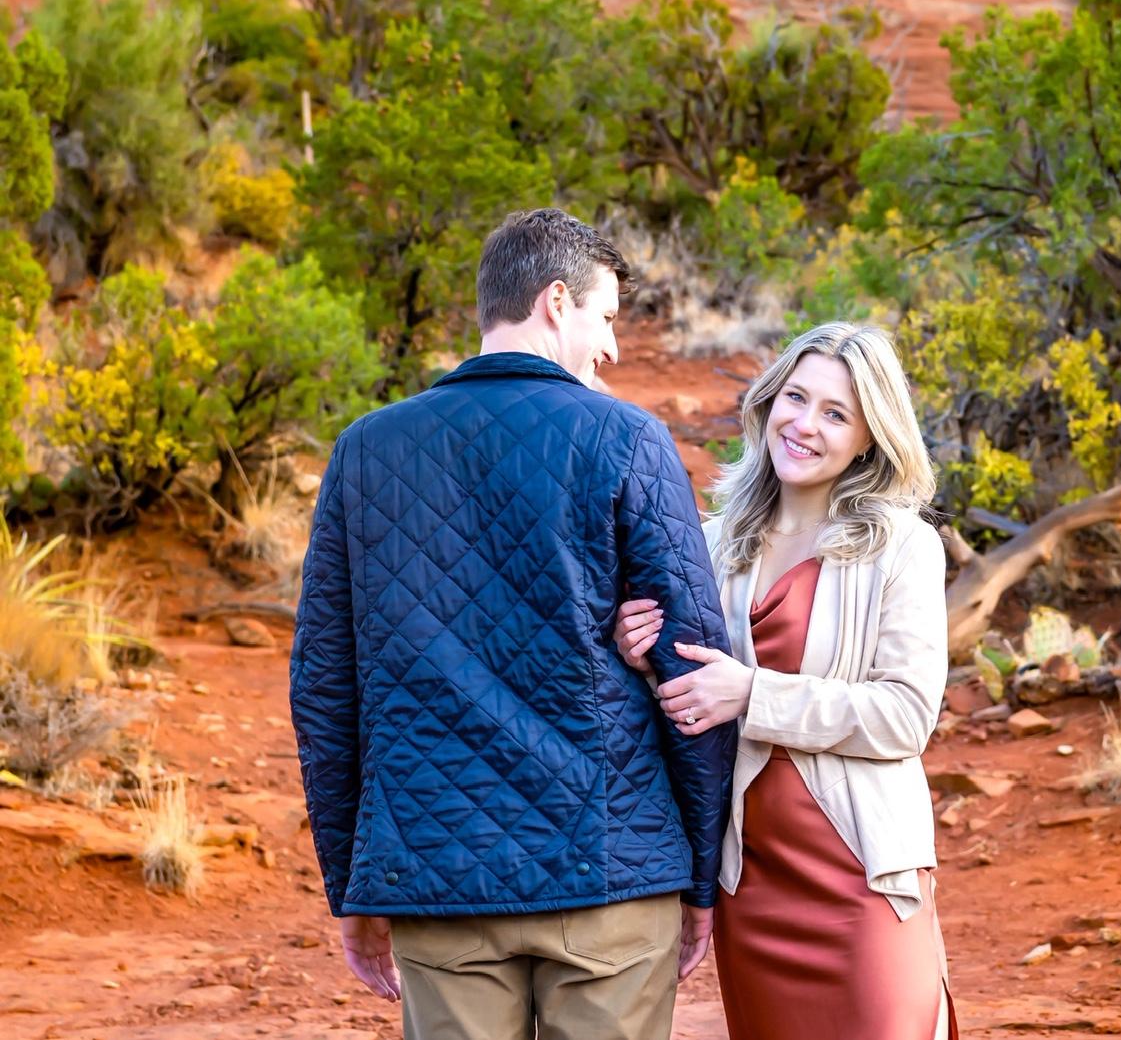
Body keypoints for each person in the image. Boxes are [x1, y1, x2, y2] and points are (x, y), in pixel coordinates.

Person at [291, 207, 737, 1040]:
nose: (610, 348)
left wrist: (355, 881)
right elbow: (692, 671)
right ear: (556, 301)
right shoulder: (629, 439)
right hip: (611, 867)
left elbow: (324, 688)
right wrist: (700, 875)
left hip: (436, 874)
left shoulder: (364, 450)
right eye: (606, 319)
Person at [615, 321, 958, 1040]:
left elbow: (906, 715)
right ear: (767, 403)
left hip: (861, 881)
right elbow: (694, 702)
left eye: (836, 413)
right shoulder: (712, 543)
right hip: (752, 880)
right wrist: (648, 662)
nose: (804, 425)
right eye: (794, 399)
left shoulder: (903, 545)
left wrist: (753, 694)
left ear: (870, 436)